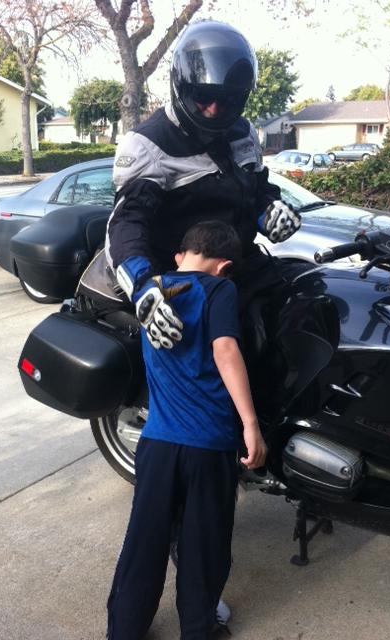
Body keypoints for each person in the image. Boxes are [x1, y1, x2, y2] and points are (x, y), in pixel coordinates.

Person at [107, 220, 267, 639]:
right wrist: (251, 424)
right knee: (203, 544)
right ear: (224, 266)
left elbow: (123, 248)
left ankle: (124, 630)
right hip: (208, 445)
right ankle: (198, 628)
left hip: (157, 443)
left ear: (180, 256)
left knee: (144, 541)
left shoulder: (151, 291)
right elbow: (225, 349)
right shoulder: (219, 289)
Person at [105, 19, 301, 350]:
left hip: (240, 267)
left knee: (309, 304)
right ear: (180, 85)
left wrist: (269, 211)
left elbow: (256, 189)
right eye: (203, 97)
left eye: (228, 100)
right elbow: (126, 225)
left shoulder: (243, 133)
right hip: (184, 283)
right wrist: (143, 286)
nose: (214, 110)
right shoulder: (147, 144)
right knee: (218, 365)